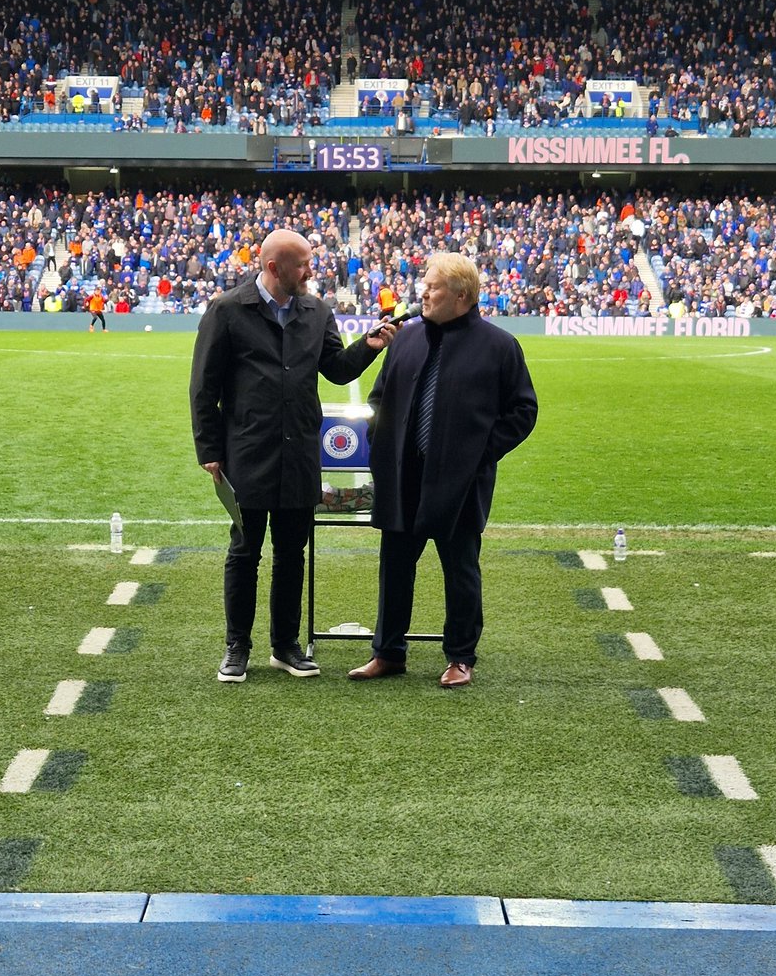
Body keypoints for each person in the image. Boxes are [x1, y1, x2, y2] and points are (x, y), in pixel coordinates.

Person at [190, 229, 398, 683]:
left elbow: (336, 370)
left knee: (292, 553)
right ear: (273, 267)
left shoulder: (316, 310)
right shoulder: (226, 310)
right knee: (245, 551)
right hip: (246, 451)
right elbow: (204, 387)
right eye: (302, 264)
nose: (310, 271)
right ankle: (236, 646)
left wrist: (369, 346)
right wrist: (210, 450)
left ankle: (285, 646)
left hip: (300, 450)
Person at [348, 253, 538, 688]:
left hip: (460, 482)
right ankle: (388, 652)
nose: (424, 293)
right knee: (395, 566)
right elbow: (379, 400)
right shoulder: (407, 338)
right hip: (404, 478)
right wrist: (383, 446)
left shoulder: (500, 346)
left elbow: (523, 410)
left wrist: (479, 454)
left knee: (461, 569)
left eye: (432, 287)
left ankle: (460, 656)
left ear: (462, 296)